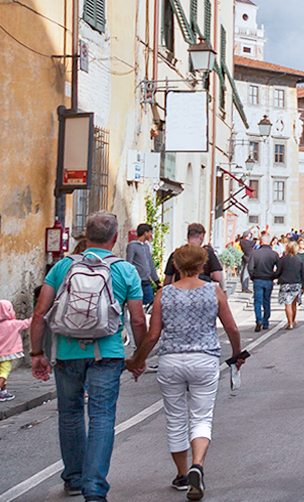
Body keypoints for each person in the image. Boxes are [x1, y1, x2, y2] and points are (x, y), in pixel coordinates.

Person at [28, 212, 148, 502]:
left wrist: (37, 353)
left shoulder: (63, 267)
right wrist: (139, 355)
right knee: (102, 417)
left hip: (67, 352)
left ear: (86, 235)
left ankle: (74, 479)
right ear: (116, 237)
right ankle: (94, 490)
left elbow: (40, 314)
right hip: (106, 353)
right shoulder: (124, 270)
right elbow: (138, 320)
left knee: (69, 415)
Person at [126, 244, 243, 501]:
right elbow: (232, 329)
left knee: (176, 419)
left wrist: (137, 360)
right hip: (205, 360)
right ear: (203, 266)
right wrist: (236, 355)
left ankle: (181, 475)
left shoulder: (164, 295)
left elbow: (153, 335)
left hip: (172, 361)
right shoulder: (214, 291)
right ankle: (197, 466)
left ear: (176, 266)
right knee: (202, 417)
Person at [0, 299, 32, 403]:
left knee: (1, 372)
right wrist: (37, 316)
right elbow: (27, 323)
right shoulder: (13, 324)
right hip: (7, 354)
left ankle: (3, 392)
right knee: (4, 373)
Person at [247, 235, 280, 331]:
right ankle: (266, 321)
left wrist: (253, 276)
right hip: (269, 279)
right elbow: (279, 267)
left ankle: (258, 319)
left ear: (261, 242)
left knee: (257, 301)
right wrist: (274, 276)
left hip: (258, 279)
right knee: (267, 300)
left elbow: (250, 268)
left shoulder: (255, 254)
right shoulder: (274, 254)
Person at [125, 224, 160, 307]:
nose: (151, 235)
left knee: (150, 304)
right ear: (145, 233)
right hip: (137, 282)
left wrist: (157, 281)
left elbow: (150, 264)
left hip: (147, 281)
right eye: (150, 233)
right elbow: (129, 263)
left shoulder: (146, 246)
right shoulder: (132, 246)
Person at [276, 241, 304, 330]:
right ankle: (293, 320)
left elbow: (278, 272)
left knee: (288, 304)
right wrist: (303, 286)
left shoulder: (282, 259)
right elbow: (303, 273)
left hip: (285, 283)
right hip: (296, 283)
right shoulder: (299, 259)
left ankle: (289, 323)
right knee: (294, 304)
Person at [236, 230, 256, 294]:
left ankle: (244, 287)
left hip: (245, 258)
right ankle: (245, 288)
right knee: (245, 273)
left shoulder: (242, 241)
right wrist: (257, 233)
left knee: (243, 272)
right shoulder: (246, 242)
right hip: (248, 258)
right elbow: (256, 241)